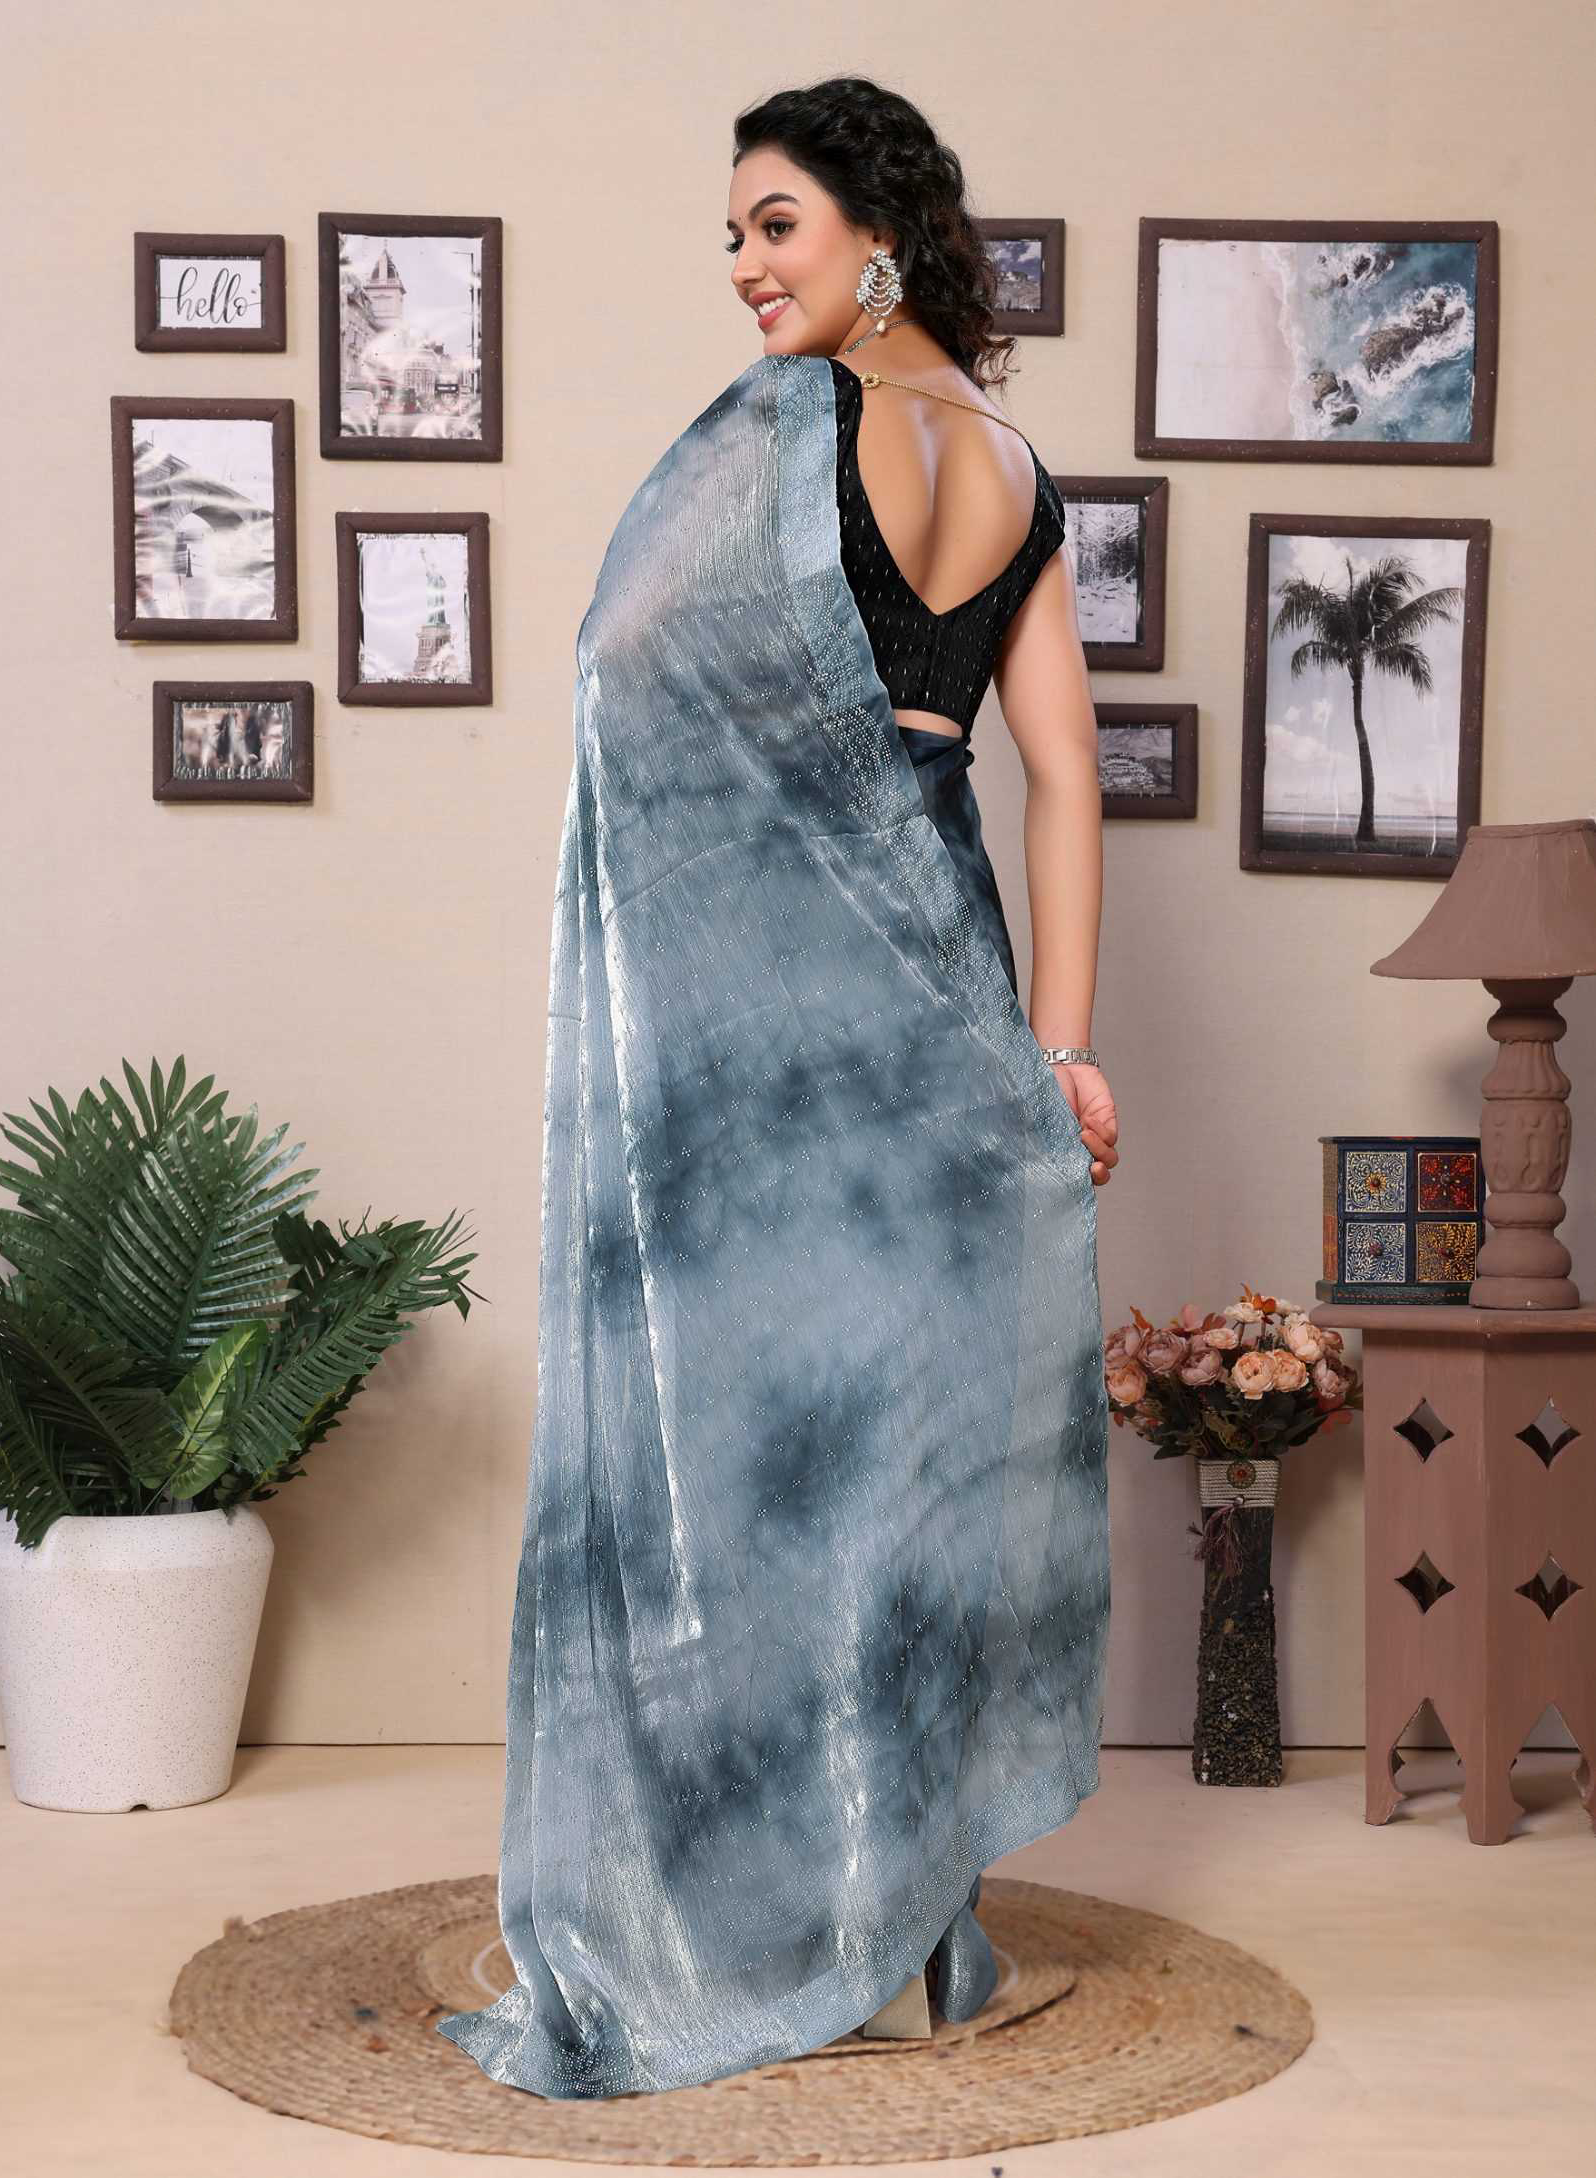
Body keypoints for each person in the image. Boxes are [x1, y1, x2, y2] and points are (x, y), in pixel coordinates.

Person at [435, 75, 1118, 2101]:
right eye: (732, 234)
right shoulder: (1015, 466)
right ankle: (901, 1938)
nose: (741, 266)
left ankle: (752, 1925)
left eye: (774, 223)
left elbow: (620, 671)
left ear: (874, 231)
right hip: (957, 1025)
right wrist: (1062, 1052)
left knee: (748, 1475)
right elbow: (1063, 781)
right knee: (904, 1491)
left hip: (785, 1064)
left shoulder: (782, 428)